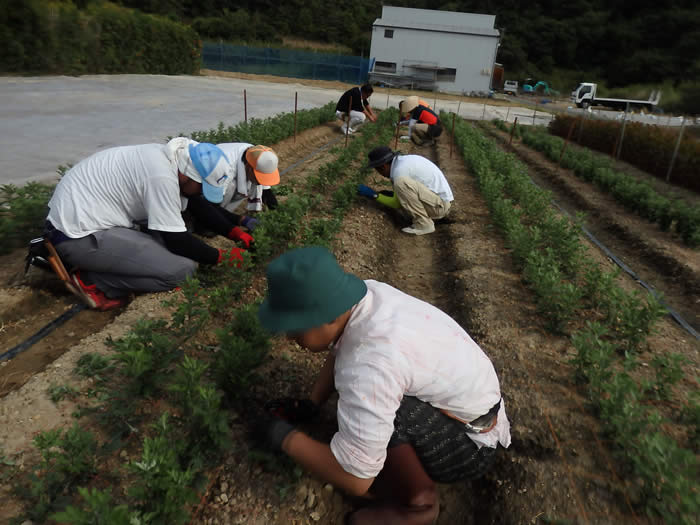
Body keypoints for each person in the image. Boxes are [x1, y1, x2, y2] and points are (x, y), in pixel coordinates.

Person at [255, 246, 510, 525]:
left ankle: (418, 505)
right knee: (372, 399)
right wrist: (312, 403)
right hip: (475, 408)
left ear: (327, 316)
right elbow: (338, 347)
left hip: (469, 445)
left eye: (294, 327)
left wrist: (283, 437)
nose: (290, 337)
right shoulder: (366, 297)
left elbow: (355, 479)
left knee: (385, 410)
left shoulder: (368, 362)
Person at [45, 138, 248, 311]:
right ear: (187, 176)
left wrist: (234, 231)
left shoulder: (175, 159)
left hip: (90, 221)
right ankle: (93, 281)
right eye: (202, 188)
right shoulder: (160, 177)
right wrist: (221, 257)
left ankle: (100, 271)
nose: (201, 193)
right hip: (79, 236)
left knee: (171, 252)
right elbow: (177, 240)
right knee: (182, 270)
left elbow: (197, 204)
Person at [186, 144, 281, 236]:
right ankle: (201, 224)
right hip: (198, 184)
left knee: (243, 189)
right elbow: (209, 205)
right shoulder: (226, 169)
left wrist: (279, 216)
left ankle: (220, 218)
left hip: (220, 178)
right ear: (249, 167)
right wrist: (241, 220)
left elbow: (267, 192)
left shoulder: (257, 157)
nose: (260, 182)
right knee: (231, 188)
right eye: (259, 177)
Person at [357, 146, 454, 235]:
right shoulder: (402, 162)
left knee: (400, 183)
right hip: (438, 202)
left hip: (439, 206)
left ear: (383, 167)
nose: (380, 174)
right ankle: (423, 219)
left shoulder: (399, 172)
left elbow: (396, 203)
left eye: (377, 170)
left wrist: (374, 195)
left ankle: (424, 225)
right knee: (401, 186)